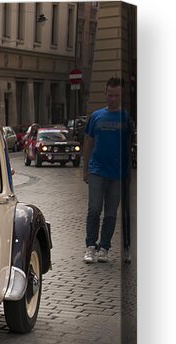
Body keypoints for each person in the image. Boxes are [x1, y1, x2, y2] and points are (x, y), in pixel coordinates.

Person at [82, 77, 132, 264]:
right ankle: (90, 246)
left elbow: (128, 146)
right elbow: (88, 143)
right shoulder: (96, 116)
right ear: (105, 94)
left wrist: (128, 173)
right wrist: (85, 169)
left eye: (116, 95)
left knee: (111, 213)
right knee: (94, 209)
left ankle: (104, 247)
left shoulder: (126, 118)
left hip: (118, 174)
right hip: (97, 170)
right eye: (110, 95)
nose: (113, 99)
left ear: (121, 95)